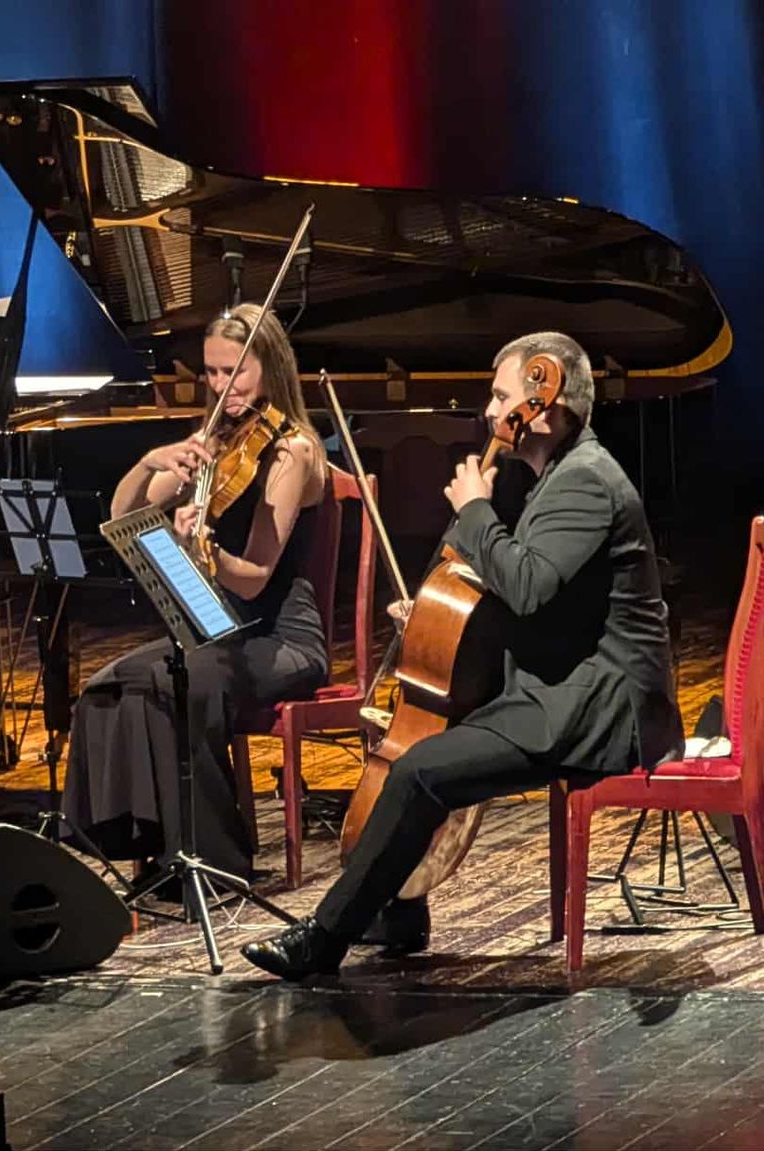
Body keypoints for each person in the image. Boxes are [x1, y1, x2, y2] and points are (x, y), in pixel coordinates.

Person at [241, 331, 684, 980]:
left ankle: (323, 939)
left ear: (545, 404)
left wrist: (475, 509)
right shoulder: (552, 475)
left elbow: (529, 586)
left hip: (598, 706)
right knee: (426, 758)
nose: (489, 412)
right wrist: (429, 617)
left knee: (421, 767)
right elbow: (538, 598)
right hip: (557, 684)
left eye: (502, 396)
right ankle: (396, 914)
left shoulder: (585, 482)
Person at [61, 303, 330, 884]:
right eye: (211, 373)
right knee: (111, 684)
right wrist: (148, 461)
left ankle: (215, 862)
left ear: (271, 368)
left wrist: (205, 554)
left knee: (175, 683)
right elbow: (123, 512)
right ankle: (144, 846)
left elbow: (256, 574)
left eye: (236, 371)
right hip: (214, 633)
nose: (222, 386)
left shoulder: (291, 450)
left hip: (281, 635)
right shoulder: (214, 441)